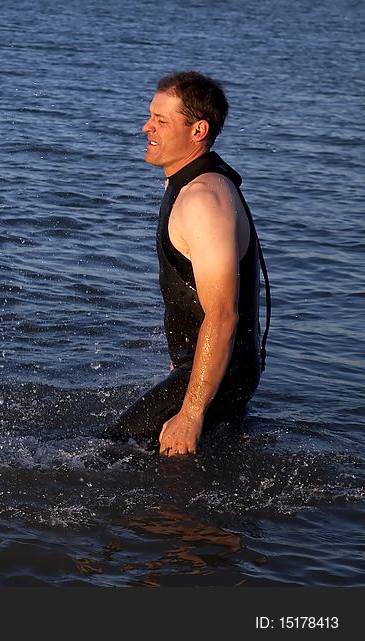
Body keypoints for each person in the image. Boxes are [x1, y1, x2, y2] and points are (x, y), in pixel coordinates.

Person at [106, 71, 270, 457]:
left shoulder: (203, 200)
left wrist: (191, 411)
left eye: (161, 121)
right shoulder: (183, 182)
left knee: (110, 452)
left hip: (225, 368)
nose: (147, 127)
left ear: (198, 130)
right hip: (212, 365)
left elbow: (224, 314)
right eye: (151, 115)